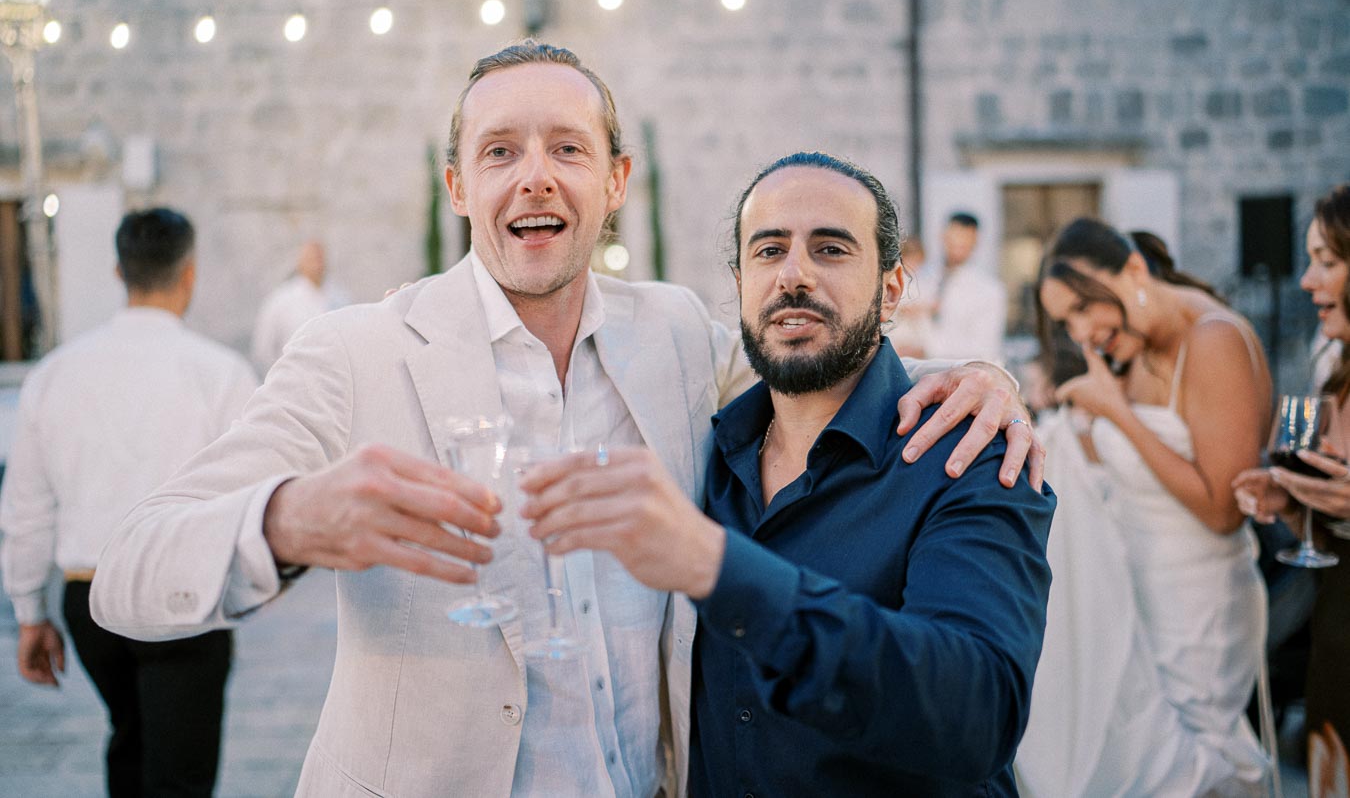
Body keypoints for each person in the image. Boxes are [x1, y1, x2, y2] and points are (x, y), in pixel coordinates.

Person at [90, 42, 1041, 797]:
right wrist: (290, 518)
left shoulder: (672, 334)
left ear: (615, 182)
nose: (535, 177)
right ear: (459, 187)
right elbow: (130, 571)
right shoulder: (355, 354)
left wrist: (982, 373)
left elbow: (812, 350)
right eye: (500, 150)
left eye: (568, 149)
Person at [520, 152, 1055, 795]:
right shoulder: (703, 458)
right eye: (769, 251)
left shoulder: (969, 456)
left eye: (830, 249)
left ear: (890, 290)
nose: (793, 276)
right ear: (741, 280)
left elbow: (978, 716)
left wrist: (722, 570)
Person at [0, 208, 258, 797]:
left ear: (119, 269)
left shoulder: (54, 373)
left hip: (87, 596)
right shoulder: (221, 373)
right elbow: (255, 494)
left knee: (128, 737)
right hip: (180, 594)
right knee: (180, 773)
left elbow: (28, 507)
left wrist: (28, 613)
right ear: (188, 274)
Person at [1033, 217, 1272, 795]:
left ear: (1133, 270)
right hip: (1140, 590)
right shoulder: (1134, 346)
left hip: (1201, 599)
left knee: (1194, 763)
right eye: (1068, 321)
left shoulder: (1214, 340)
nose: (1083, 333)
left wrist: (1116, 412)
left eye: (1085, 308)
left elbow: (1223, 510)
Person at [1234, 183, 1350, 797]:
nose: (1307, 281)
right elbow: (1328, 510)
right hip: (1336, 623)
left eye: (1328, 262)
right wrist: (1292, 503)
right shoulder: (1330, 363)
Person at [250, 239, 348, 373]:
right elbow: (263, 349)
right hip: (291, 379)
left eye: (319, 257)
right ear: (300, 263)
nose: (316, 262)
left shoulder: (341, 297)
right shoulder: (281, 299)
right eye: (311, 258)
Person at [923, 211, 1007, 363]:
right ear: (943, 236)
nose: (958, 245)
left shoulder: (989, 290)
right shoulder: (921, 277)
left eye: (964, 240)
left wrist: (926, 349)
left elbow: (984, 348)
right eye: (954, 238)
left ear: (975, 242)